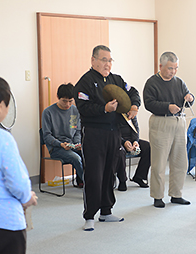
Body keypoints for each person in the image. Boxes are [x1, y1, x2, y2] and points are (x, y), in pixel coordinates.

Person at [74, 45, 141, 231]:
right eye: (104, 60)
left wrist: (134, 106)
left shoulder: (116, 79)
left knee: (109, 173)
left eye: (110, 60)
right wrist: (104, 108)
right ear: (93, 60)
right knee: (94, 175)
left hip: (114, 133)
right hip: (94, 134)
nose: (108, 64)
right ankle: (89, 216)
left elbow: (133, 92)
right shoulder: (84, 82)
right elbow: (83, 108)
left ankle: (106, 211)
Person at [0, 75, 38, 253]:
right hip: (2, 223)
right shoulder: (1, 138)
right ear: (1, 106)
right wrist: (27, 197)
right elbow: (16, 180)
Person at [143, 51, 194, 208]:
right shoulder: (152, 82)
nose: (173, 71)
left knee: (180, 161)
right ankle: (158, 196)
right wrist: (167, 107)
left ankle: (176, 194)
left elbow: (188, 98)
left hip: (179, 122)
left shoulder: (179, 82)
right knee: (159, 162)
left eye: (176, 68)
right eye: (170, 68)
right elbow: (148, 103)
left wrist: (190, 98)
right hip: (161, 122)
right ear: (161, 66)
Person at [41, 83, 83, 187]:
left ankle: (83, 181)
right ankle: (89, 184)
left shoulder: (74, 111)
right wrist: (60, 144)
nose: (68, 104)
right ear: (58, 97)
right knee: (76, 158)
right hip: (56, 148)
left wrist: (77, 143)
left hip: (72, 145)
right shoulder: (48, 112)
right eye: (64, 101)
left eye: (70, 101)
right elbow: (47, 136)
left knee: (89, 154)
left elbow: (75, 130)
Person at [116, 105, 150, 191]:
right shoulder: (113, 113)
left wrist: (135, 141)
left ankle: (139, 176)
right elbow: (113, 132)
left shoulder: (130, 112)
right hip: (118, 141)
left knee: (148, 147)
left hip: (131, 139)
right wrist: (123, 142)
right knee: (120, 152)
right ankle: (122, 180)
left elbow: (136, 129)